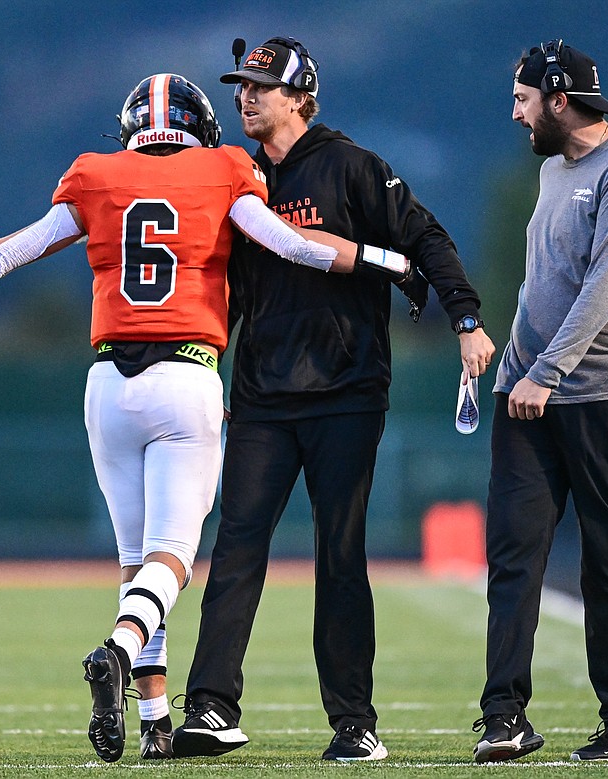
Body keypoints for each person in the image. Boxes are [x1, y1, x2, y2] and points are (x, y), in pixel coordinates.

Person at [0, 73, 391, 763]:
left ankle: (156, 721)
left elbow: (4, 255)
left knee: (135, 559)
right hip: (184, 374)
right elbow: (293, 245)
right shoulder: (226, 168)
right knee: (172, 556)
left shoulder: (97, 175)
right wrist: (385, 260)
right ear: (200, 128)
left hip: (108, 381)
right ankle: (118, 647)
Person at [170, 36, 496, 762]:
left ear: (302, 100)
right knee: (236, 547)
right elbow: (219, 285)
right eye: (241, 86)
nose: (245, 97)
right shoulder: (236, 174)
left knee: (339, 555)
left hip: (345, 391)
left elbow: (425, 237)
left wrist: (465, 319)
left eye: (261, 87)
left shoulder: (351, 167)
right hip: (261, 392)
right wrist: (211, 365)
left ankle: (355, 721)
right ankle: (211, 707)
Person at [472, 40, 608, 763]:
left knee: (605, 552)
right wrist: (512, 364)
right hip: (526, 391)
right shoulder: (554, 169)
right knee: (513, 553)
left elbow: (606, 287)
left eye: (523, 100)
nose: (516, 114)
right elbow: (543, 283)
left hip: (599, 393)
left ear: (559, 99)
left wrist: (547, 371)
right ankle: (503, 716)